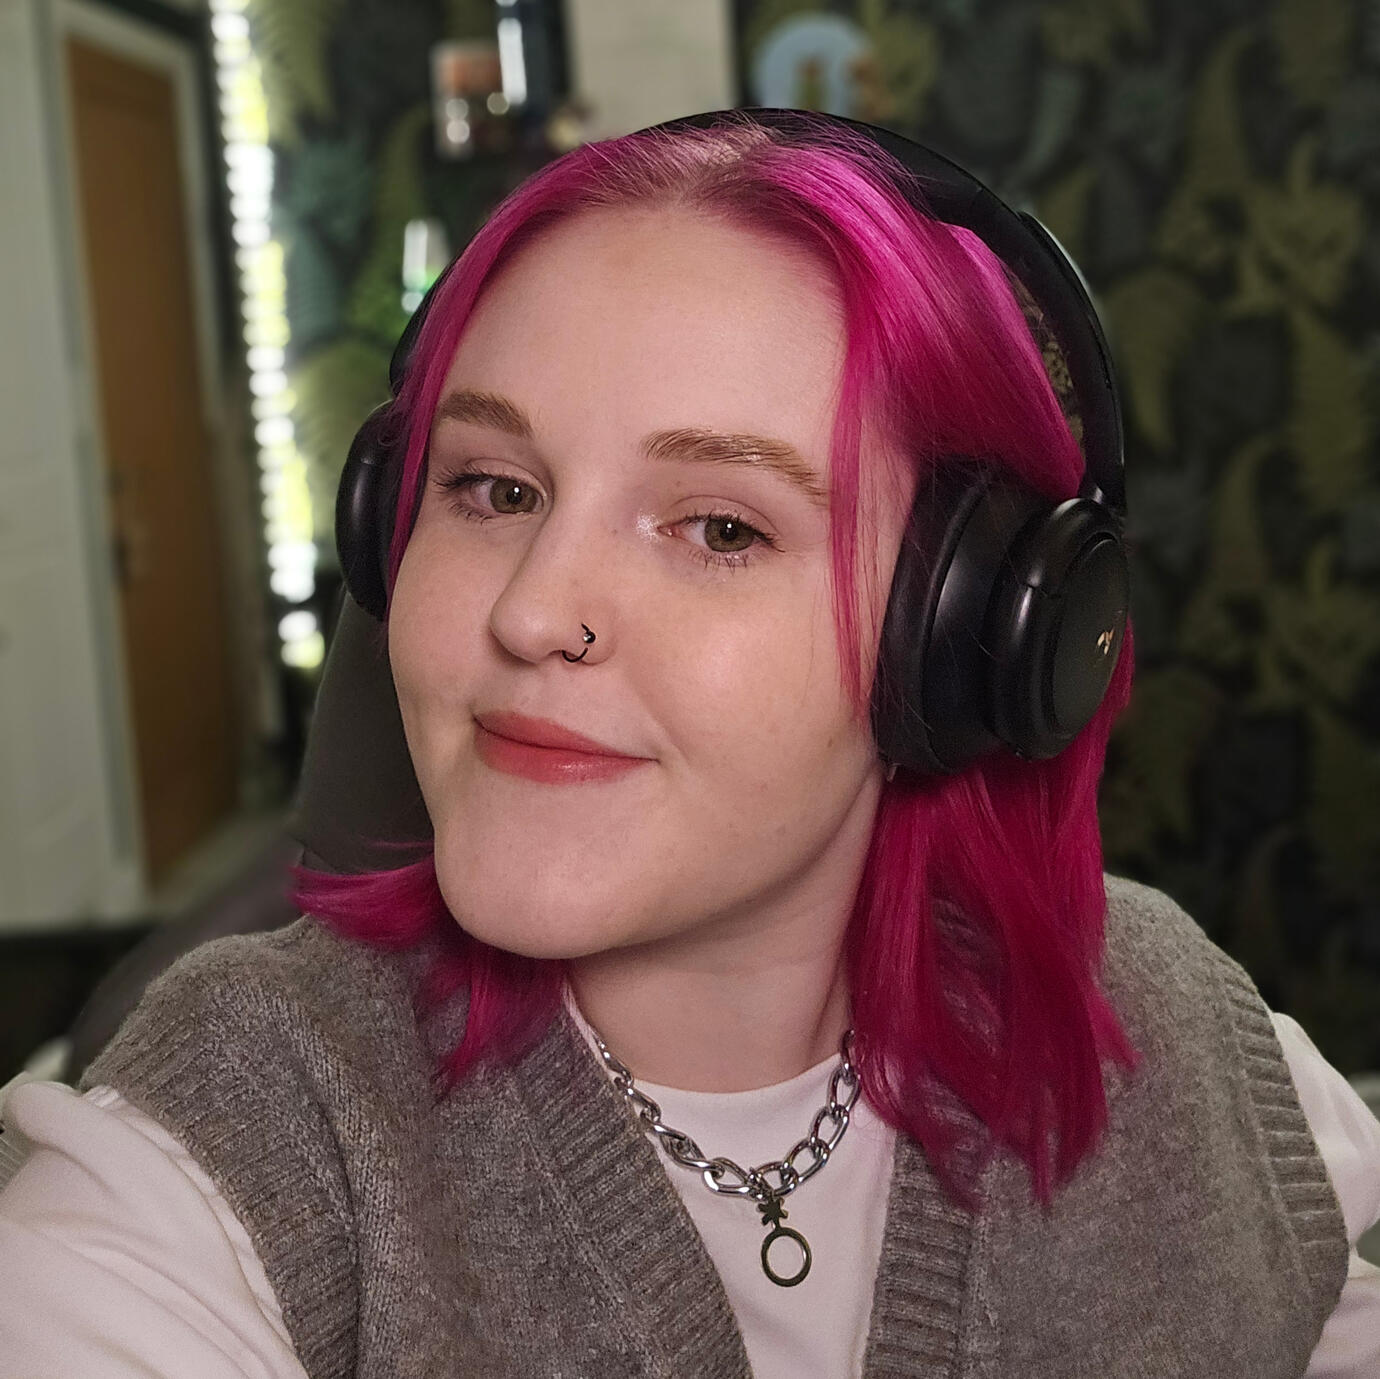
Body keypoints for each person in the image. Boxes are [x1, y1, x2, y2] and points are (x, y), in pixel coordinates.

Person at [2, 107, 1378, 1379]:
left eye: (721, 526)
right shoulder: (226, 1140)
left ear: (966, 634)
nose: (535, 610)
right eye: (494, 487)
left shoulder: (1176, 1032)